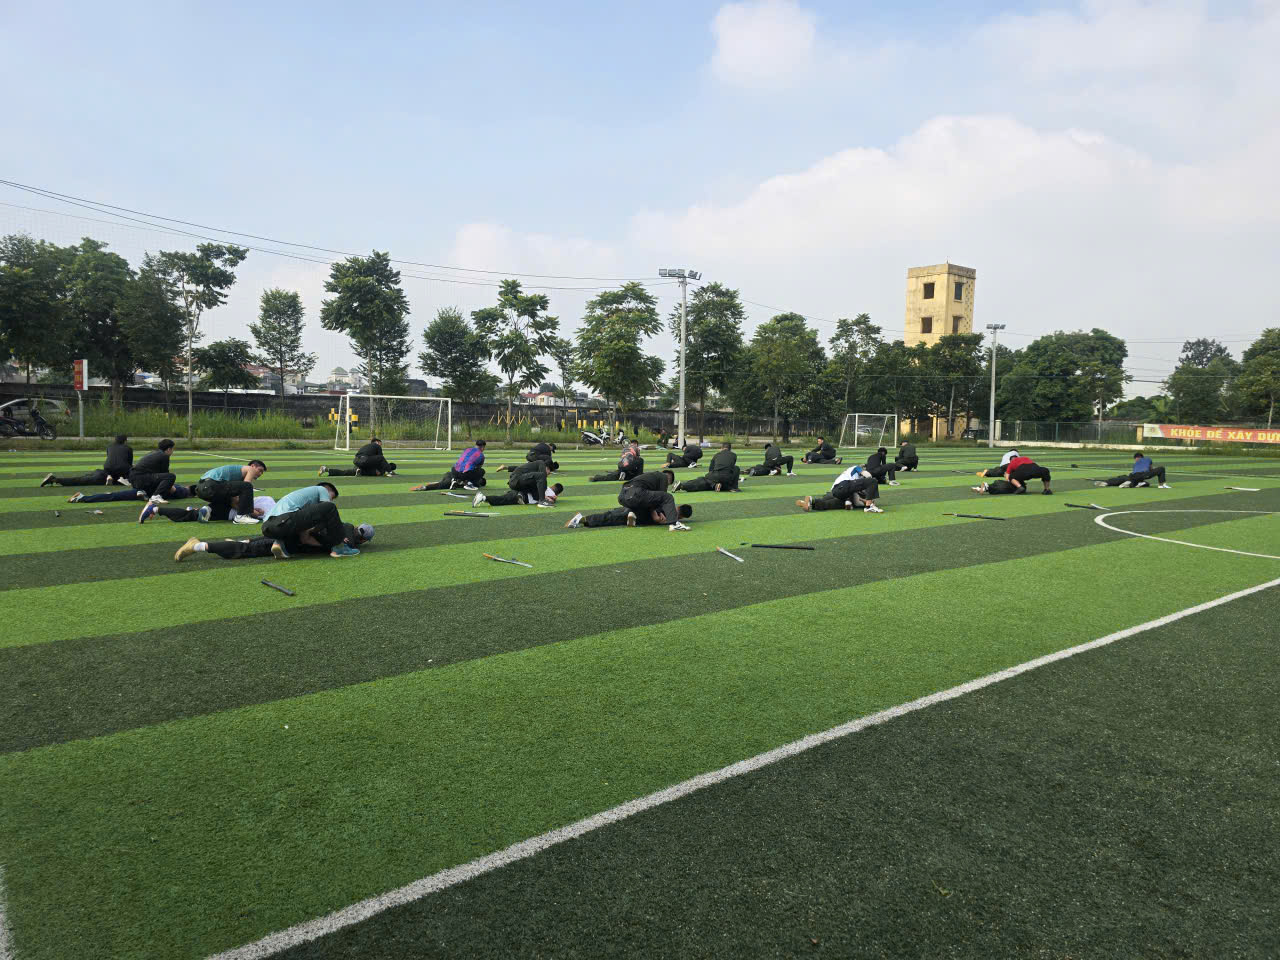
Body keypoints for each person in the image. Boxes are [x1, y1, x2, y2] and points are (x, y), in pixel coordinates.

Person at [174, 522, 375, 562]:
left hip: (290, 531)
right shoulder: (347, 538)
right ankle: (197, 546)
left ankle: (230, 542)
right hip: (290, 542)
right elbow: (341, 548)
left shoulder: (341, 524)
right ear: (362, 539)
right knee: (246, 549)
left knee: (255, 542)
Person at [261, 482, 360, 557]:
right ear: (327, 490)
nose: (330, 500)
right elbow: (327, 509)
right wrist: (339, 535)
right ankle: (339, 547)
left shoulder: (301, 501)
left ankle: (279, 543)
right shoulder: (322, 489)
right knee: (330, 507)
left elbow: (305, 533)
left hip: (269, 528)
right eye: (331, 497)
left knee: (296, 538)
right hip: (284, 520)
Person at [41, 435, 133, 487]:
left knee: (82, 478)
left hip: (104, 471)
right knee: (83, 480)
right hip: (112, 475)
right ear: (125, 441)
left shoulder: (110, 446)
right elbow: (128, 464)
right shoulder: (128, 448)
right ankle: (55, 479)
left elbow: (111, 459)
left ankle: (55, 479)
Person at [190, 460, 266, 522]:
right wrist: (251, 511)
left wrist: (252, 511)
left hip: (201, 489)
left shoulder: (235, 482)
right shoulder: (250, 469)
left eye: (262, 473)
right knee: (248, 486)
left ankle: (206, 509)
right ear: (252, 466)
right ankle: (241, 517)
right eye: (260, 470)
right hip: (210, 485)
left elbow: (235, 502)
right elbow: (246, 485)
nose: (260, 474)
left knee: (228, 501)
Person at [141, 492, 274, 525]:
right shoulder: (270, 507)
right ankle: (154, 509)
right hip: (225, 511)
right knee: (190, 516)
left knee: (192, 513)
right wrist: (254, 512)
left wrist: (254, 511)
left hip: (224, 507)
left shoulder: (268, 499)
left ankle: (197, 510)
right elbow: (238, 502)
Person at [796, 464, 883, 513]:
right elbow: (867, 475)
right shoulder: (856, 468)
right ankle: (867, 507)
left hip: (834, 491)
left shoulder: (848, 474)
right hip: (843, 486)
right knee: (872, 481)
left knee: (829, 504)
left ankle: (811, 502)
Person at [474, 459, 560, 507]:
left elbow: (519, 468)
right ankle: (542, 502)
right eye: (549, 472)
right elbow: (542, 478)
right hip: (517, 482)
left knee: (502, 499)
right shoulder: (541, 464)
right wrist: (545, 498)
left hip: (517, 487)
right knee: (541, 476)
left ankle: (483, 498)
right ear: (547, 468)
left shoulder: (533, 472)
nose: (548, 475)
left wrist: (507, 468)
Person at [411, 439, 487, 491]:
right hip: (464, 475)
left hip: (454, 471)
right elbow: (477, 468)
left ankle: (454, 480)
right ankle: (468, 483)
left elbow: (463, 461)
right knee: (482, 471)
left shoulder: (467, 449)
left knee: (446, 481)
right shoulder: (481, 455)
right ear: (483, 447)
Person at [565, 502, 693, 529]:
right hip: (635, 513)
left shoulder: (668, 505)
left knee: (610, 516)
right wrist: (658, 517)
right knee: (610, 518)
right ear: (681, 517)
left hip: (633, 510)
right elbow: (651, 505)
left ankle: (582, 519)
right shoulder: (668, 512)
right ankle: (580, 519)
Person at [674, 442, 741, 492]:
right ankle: (733, 488)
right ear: (730, 449)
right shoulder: (734, 455)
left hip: (714, 476)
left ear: (721, 448)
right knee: (736, 468)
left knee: (702, 481)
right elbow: (731, 467)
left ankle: (682, 486)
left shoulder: (716, 455)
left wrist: (711, 480)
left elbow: (711, 469)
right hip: (727, 478)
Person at [973, 454, 1052, 495]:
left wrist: (1012, 480)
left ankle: (1020, 487)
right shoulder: (1025, 458)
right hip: (1035, 468)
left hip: (1023, 469)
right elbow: (1030, 466)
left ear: (1010, 460)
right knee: (1045, 471)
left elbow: (1008, 477)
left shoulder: (1011, 464)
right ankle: (1047, 489)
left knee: (1012, 476)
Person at [319, 438, 396, 477]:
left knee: (345, 472)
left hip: (356, 461)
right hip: (365, 460)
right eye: (380, 444)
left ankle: (326, 469)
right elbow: (380, 458)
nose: (381, 445)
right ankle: (390, 472)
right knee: (381, 458)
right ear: (377, 442)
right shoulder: (376, 445)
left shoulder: (366, 446)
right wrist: (386, 469)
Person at [68, 481, 193, 505]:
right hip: (146, 492)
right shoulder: (183, 491)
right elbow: (171, 488)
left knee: (114, 496)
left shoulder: (182, 490)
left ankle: (83, 498)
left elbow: (171, 488)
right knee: (114, 496)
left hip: (145, 490)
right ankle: (82, 498)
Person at [1095, 452, 1172, 489]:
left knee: (1124, 477)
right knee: (1161, 468)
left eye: (1135, 459)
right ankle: (1161, 485)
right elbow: (1151, 469)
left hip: (1133, 476)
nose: (1135, 460)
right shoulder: (1148, 459)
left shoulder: (1136, 463)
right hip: (1143, 474)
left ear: (1137, 457)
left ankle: (1107, 482)